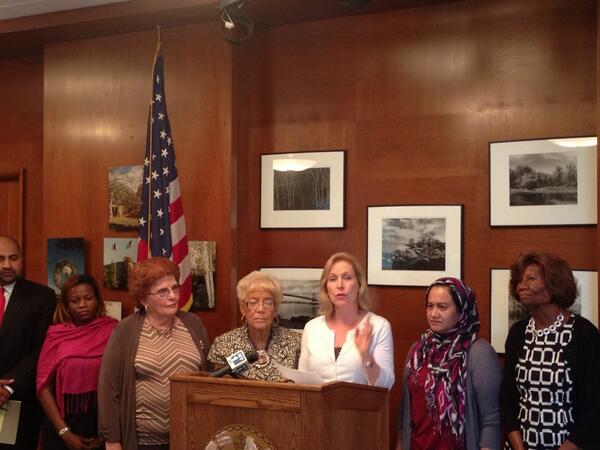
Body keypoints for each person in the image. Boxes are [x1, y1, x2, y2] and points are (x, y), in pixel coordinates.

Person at [97, 257, 209, 450]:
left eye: (175, 288)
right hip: (143, 443)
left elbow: (209, 377)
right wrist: (112, 441)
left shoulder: (193, 324)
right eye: (162, 292)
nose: (173, 296)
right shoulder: (125, 331)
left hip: (190, 438)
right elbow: (108, 390)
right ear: (143, 299)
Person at [501, 252, 600, 450]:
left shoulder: (583, 333)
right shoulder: (518, 332)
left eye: (530, 278)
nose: (521, 286)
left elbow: (595, 406)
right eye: (519, 280)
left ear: (555, 283)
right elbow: (508, 400)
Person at [398, 277, 501, 450]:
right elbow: (404, 410)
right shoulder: (418, 351)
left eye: (442, 307)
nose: (433, 314)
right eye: (430, 306)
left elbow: (491, 420)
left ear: (461, 310)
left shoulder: (479, 353)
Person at [37, 274, 117, 450]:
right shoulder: (56, 335)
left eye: (88, 298)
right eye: (75, 301)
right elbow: (43, 387)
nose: (82, 304)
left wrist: (106, 435)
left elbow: (121, 385)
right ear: (66, 305)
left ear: (98, 300)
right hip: (62, 424)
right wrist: (65, 433)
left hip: (100, 424)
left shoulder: (113, 330)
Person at [298, 252, 394, 388]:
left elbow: (385, 385)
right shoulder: (312, 327)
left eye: (347, 277)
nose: (340, 285)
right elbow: (302, 381)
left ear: (359, 285)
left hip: (361, 402)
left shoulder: (379, 326)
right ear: (326, 288)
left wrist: (366, 355)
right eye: (332, 279)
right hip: (316, 403)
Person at [0, 235, 56, 450]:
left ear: (22, 259)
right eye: (1, 259)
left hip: (19, 400)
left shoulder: (42, 297)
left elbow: (41, 349)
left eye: (13, 258)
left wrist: (8, 388)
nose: (7, 264)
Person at [207, 271, 301, 381]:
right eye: (253, 302)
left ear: (275, 308)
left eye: (268, 302)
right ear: (243, 308)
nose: (260, 309)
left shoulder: (296, 343)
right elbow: (216, 387)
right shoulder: (224, 344)